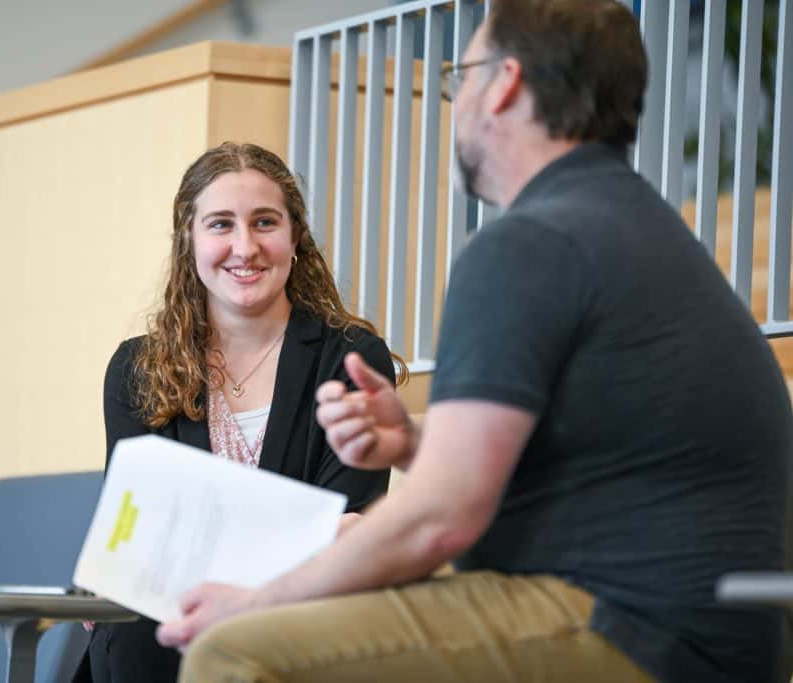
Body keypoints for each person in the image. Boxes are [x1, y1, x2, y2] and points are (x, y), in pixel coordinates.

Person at [155, 1, 792, 681]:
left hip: (638, 627)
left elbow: (437, 522)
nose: (456, 103)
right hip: (709, 627)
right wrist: (420, 440)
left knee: (234, 649)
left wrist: (252, 603)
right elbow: (585, 454)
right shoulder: (634, 227)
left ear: (505, 83)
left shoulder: (529, 244)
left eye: (461, 76)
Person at [72, 141, 405, 683]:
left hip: (299, 617)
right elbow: (135, 529)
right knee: (141, 629)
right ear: (189, 240)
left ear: (294, 236)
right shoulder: (138, 367)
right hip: (165, 621)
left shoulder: (349, 359)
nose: (244, 247)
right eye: (221, 224)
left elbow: (348, 535)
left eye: (265, 222)